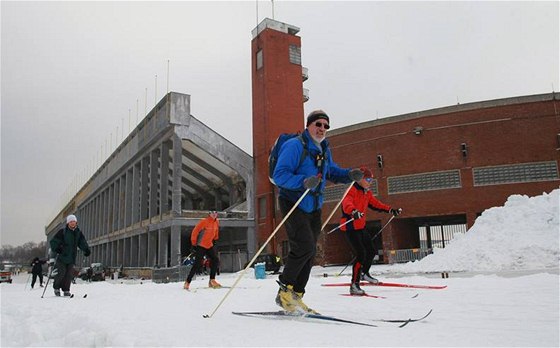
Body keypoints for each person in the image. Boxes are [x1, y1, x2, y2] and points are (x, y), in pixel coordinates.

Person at [272, 109, 365, 314]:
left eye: (325, 126)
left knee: (311, 250)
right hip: (293, 202)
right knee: (303, 246)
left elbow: (330, 171)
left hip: (313, 206)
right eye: (318, 124)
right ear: (309, 125)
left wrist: (349, 175)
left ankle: (296, 294)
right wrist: (303, 182)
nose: (322, 129)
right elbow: (279, 175)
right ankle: (284, 292)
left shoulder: (324, 148)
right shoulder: (295, 146)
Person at [340, 166, 402, 295]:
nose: (370, 181)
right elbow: (346, 203)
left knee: (371, 250)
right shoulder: (351, 190)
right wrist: (353, 211)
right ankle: (354, 285)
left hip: (360, 227)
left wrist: (391, 210)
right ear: (360, 179)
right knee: (361, 253)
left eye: (371, 179)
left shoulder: (366, 192)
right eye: (368, 179)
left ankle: (364, 273)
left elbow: (376, 204)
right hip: (350, 227)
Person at [49, 214, 91, 296]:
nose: (72, 223)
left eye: (74, 221)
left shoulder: (78, 233)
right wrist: (57, 248)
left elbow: (82, 242)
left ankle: (66, 290)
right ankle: (56, 288)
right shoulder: (63, 232)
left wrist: (86, 250)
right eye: (71, 221)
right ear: (68, 223)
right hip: (62, 257)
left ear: (76, 222)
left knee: (69, 275)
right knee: (61, 273)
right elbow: (53, 241)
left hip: (71, 257)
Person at [183, 210, 221, 290]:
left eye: (216, 213)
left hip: (209, 245)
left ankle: (212, 280)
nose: (214, 214)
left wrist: (215, 239)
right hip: (201, 245)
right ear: (209, 214)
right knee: (197, 264)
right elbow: (195, 231)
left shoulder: (216, 222)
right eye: (212, 213)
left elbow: (216, 232)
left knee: (215, 260)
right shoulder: (204, 221)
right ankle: (187, 282)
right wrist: (193, 244)